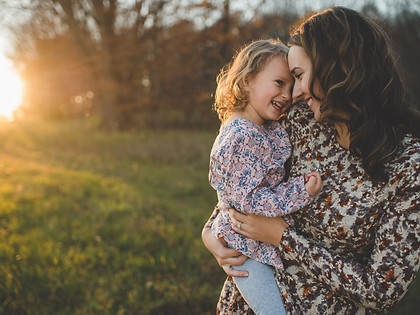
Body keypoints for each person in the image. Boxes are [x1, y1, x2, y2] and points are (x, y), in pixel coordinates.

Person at [202, 6, 420, 314]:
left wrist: (284, 239)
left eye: (299, 76)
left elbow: (381, 290)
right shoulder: (300, 122)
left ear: (339, 69)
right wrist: (211, 232)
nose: (295, 92)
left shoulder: (409, 164)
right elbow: (245, 184)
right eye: (289, 80)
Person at [208, 39, 322, 315]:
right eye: (279, 83)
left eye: (291, 84)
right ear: (247, 81)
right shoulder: (241, 136)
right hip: (246, 251)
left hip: (253, 243)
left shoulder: (261, 127)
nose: (288, 93)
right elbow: (249, 201)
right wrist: (300, 191)